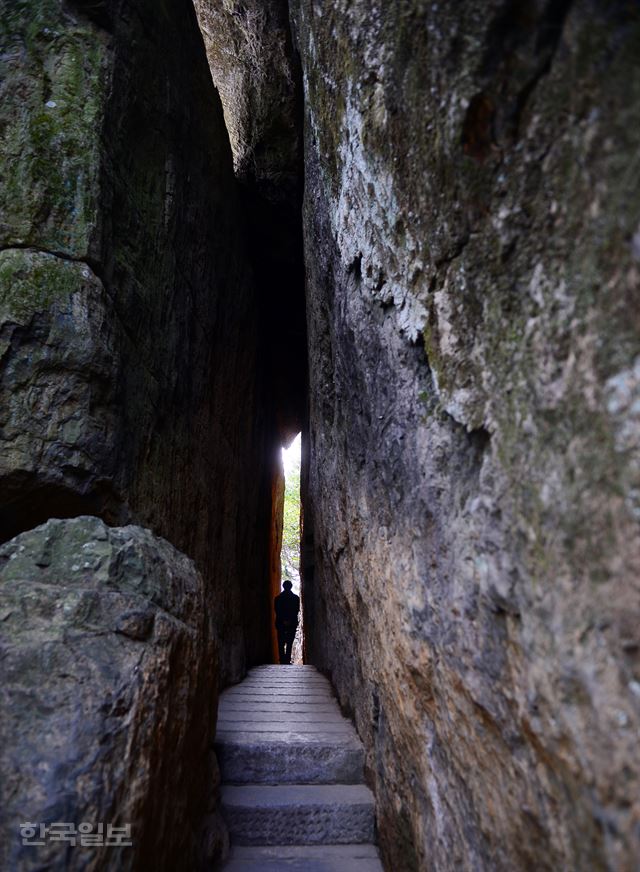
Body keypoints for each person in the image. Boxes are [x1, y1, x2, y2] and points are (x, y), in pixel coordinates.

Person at [274, 579, 300, 665]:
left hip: (280, 623)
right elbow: (296, 610)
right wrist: (289, 620)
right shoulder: (296, 598)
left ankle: (282, 659)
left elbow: (277, 611)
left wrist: (283, 620)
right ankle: (287, 659)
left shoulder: (277, 598)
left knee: (280, 642)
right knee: (290, 642)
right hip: (292, 623)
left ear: (283, 586)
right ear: (291, 587)